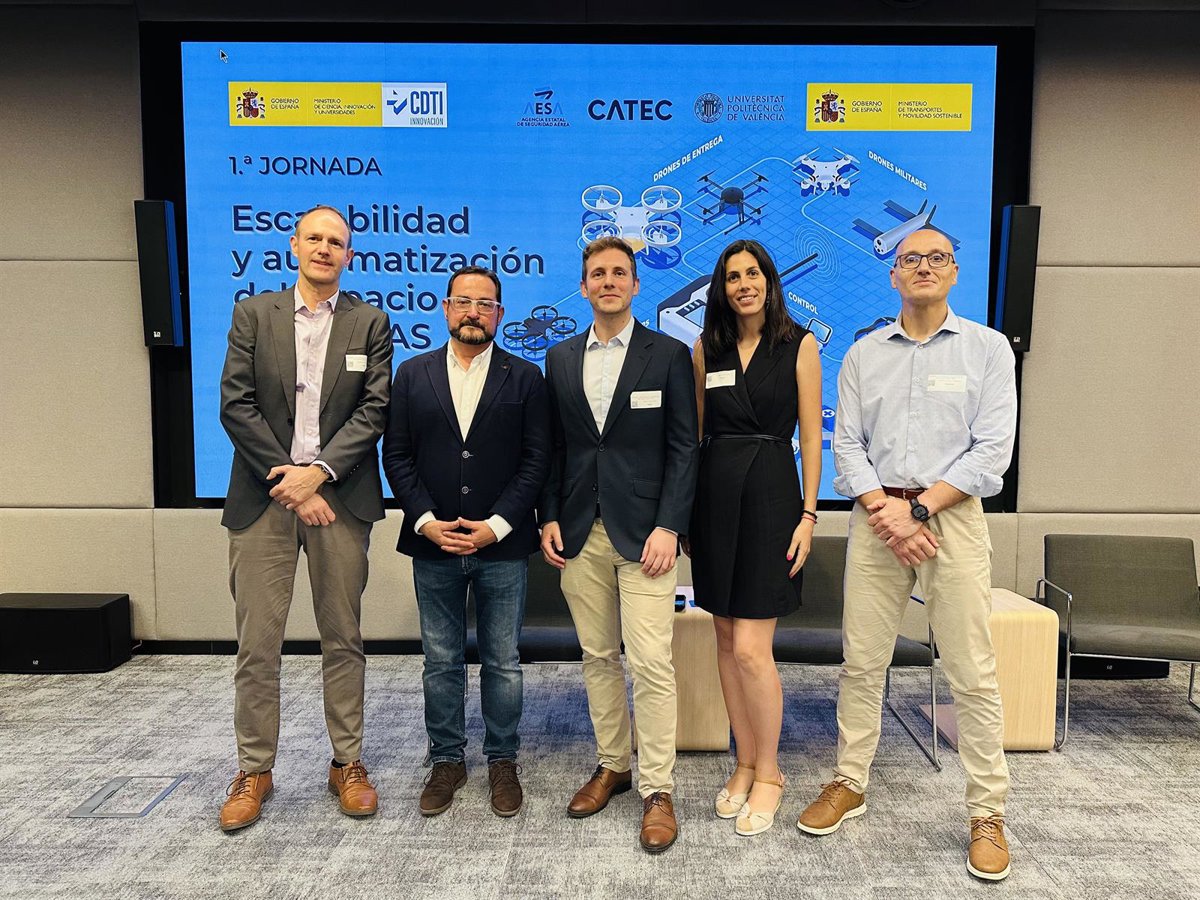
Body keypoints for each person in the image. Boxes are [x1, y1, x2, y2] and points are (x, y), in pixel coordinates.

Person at [797, 229, 1017, 882]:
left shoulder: (988, 349)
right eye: (910, 259)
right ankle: (850, 781)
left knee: (971, 671)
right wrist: (888, 512)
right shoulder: (864, 354)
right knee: (862, 663)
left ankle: (987, 812)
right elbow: (846, 447)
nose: (923, 267)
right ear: (893, 275)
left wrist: (918, 510)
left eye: (936, 258)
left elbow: (992, 451)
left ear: (954, 272)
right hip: (876, 521)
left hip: (952, 520)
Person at [217, 204, 393, 831]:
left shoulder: (371, 322)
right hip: (263, 498)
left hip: (339, 500)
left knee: (343, 637)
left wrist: (317, 474)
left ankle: (347, 762)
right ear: (293, 245)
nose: (324, 249)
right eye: (314, 238)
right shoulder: (253, 314)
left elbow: (373, 411)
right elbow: (236, 405)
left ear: (349, 254)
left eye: (335, 242)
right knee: (257, 644)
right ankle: (254, 769)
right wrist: (291, 484)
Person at [539, 236, 698, 853]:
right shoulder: (558, 358)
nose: (608, 282)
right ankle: (614, 765)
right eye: (598, 274)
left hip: (647, 536)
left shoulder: (668, 354)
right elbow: (554, 448)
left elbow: (684, 447)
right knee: (598, 656)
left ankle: (658, 788)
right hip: (580, 532)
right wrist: (549, 517)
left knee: (652, 661)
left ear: (636, 284)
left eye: (619, 273)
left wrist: (670, 526)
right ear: (584, 288)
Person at [381, 266, 550, 818]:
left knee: (503, 662)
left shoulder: (526, 377)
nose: (473, 312)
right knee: (440, 661)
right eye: (463, 302)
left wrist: (496, 524)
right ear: (446, 308)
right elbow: (396, 456)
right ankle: (447, 760)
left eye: (485, 304)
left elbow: (536, 460)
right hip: (433, 543)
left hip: (501, 545)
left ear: (500, 314)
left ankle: (503, 760)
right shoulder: (412, 374)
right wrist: (426, 521)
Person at [687, 240, 822, 836]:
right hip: (713, 501)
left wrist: (809, 515)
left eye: (753, 273)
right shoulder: (706, 349)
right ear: (721, 287)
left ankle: (770, 772)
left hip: (772, 498)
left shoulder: (800, 344)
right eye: (732, 276)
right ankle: (743, 763)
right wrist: (685, 514)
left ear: (769, 280)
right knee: (723, 640)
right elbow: (695, 434)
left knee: (750, 649)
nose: (743, 284)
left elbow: (812, 437)